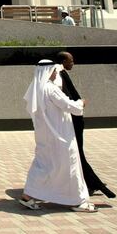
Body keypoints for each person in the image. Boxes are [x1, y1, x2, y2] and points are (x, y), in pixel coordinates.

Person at [18, 59, 96, 212]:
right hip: (60, 136)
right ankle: (77, 201)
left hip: (44, 137)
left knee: (42, 166)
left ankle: (28, 196)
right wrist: (81, 103)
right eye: (54, 70)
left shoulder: (36, 88)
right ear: (48, 71)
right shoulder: (50, 89)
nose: (56, 73)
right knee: (70, 164)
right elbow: (69, 105)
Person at [57, 52, 116, 199]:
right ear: (63, 61)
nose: (73, 63)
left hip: (74, 119)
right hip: (71, 121)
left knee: (77, 153)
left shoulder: (62, 73)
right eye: (71, 60)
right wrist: (79, 104)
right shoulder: (58, 76)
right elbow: (65, 100)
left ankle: (90, 183)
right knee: (77, 153)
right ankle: (93, 183)